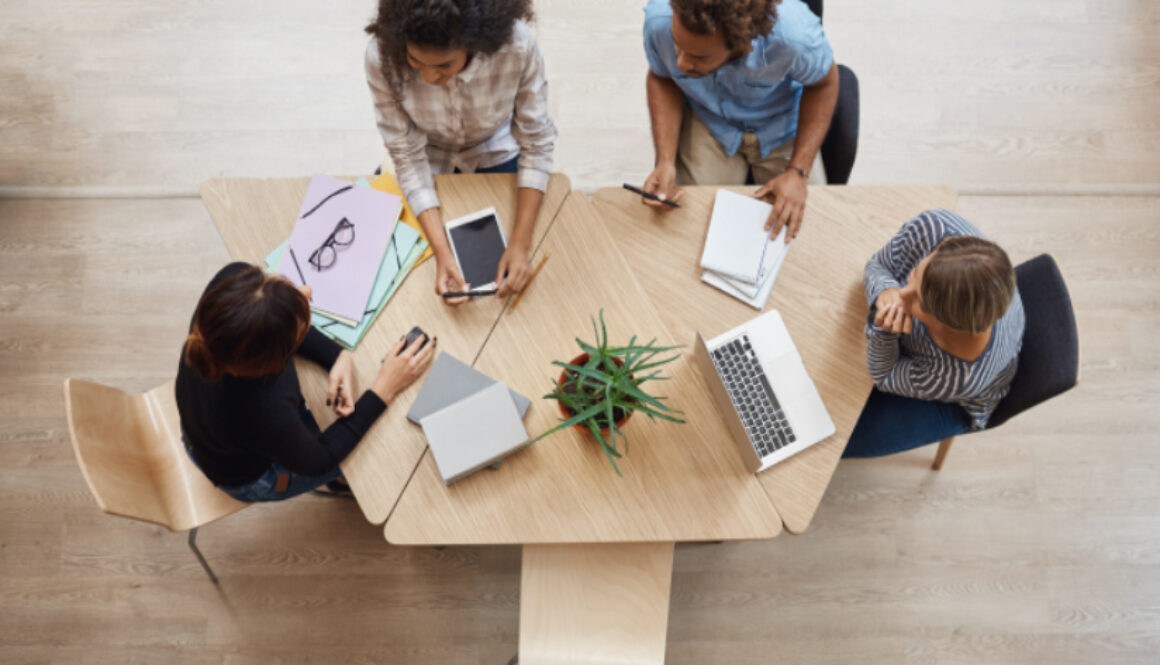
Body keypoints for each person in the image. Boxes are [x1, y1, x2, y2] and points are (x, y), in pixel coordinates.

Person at [176, 263, 435, 502]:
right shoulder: (264, 410)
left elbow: (274, 320)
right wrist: (384, 389)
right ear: (278, 359)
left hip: (211, 435)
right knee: (381, 449)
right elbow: (318, 461)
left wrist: (337, 356)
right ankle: (342, 482)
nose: (307, 290)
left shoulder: (227, 291)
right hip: (248, 476)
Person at [364, 0, 557, 303]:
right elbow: (406, 155)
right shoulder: (381, 55)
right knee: (398, 267)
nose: (428, 78)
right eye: (415, 61)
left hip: (494, 147)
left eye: (443, 65)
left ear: (476, 44)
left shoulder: (517, 47)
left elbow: (536, 143)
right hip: (425, 152)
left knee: (519, 234)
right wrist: (443, 254)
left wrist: (520, 246)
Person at [639, 0, 838, 241]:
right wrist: (665, 161)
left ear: (740, 46)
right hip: (710, 120)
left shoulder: (793, 37)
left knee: (813, 233)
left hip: (780, 124)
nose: (681, 63)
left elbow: (824, 85)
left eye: (699, 57)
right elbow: (663, 78)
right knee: (685, 231)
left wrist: (798, 172)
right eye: (676, 45)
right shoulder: (660, 19)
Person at [843, 209, 1026, 458]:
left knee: (840, 438)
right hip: (963, 343)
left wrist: (884, 331)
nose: (902, 293)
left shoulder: (956, 378)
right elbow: (879, 265)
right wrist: (884, 290)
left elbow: (885, 374)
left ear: (948, 324)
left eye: (919, 303)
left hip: (956, 401)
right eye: (915, 274)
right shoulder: (935, 228)